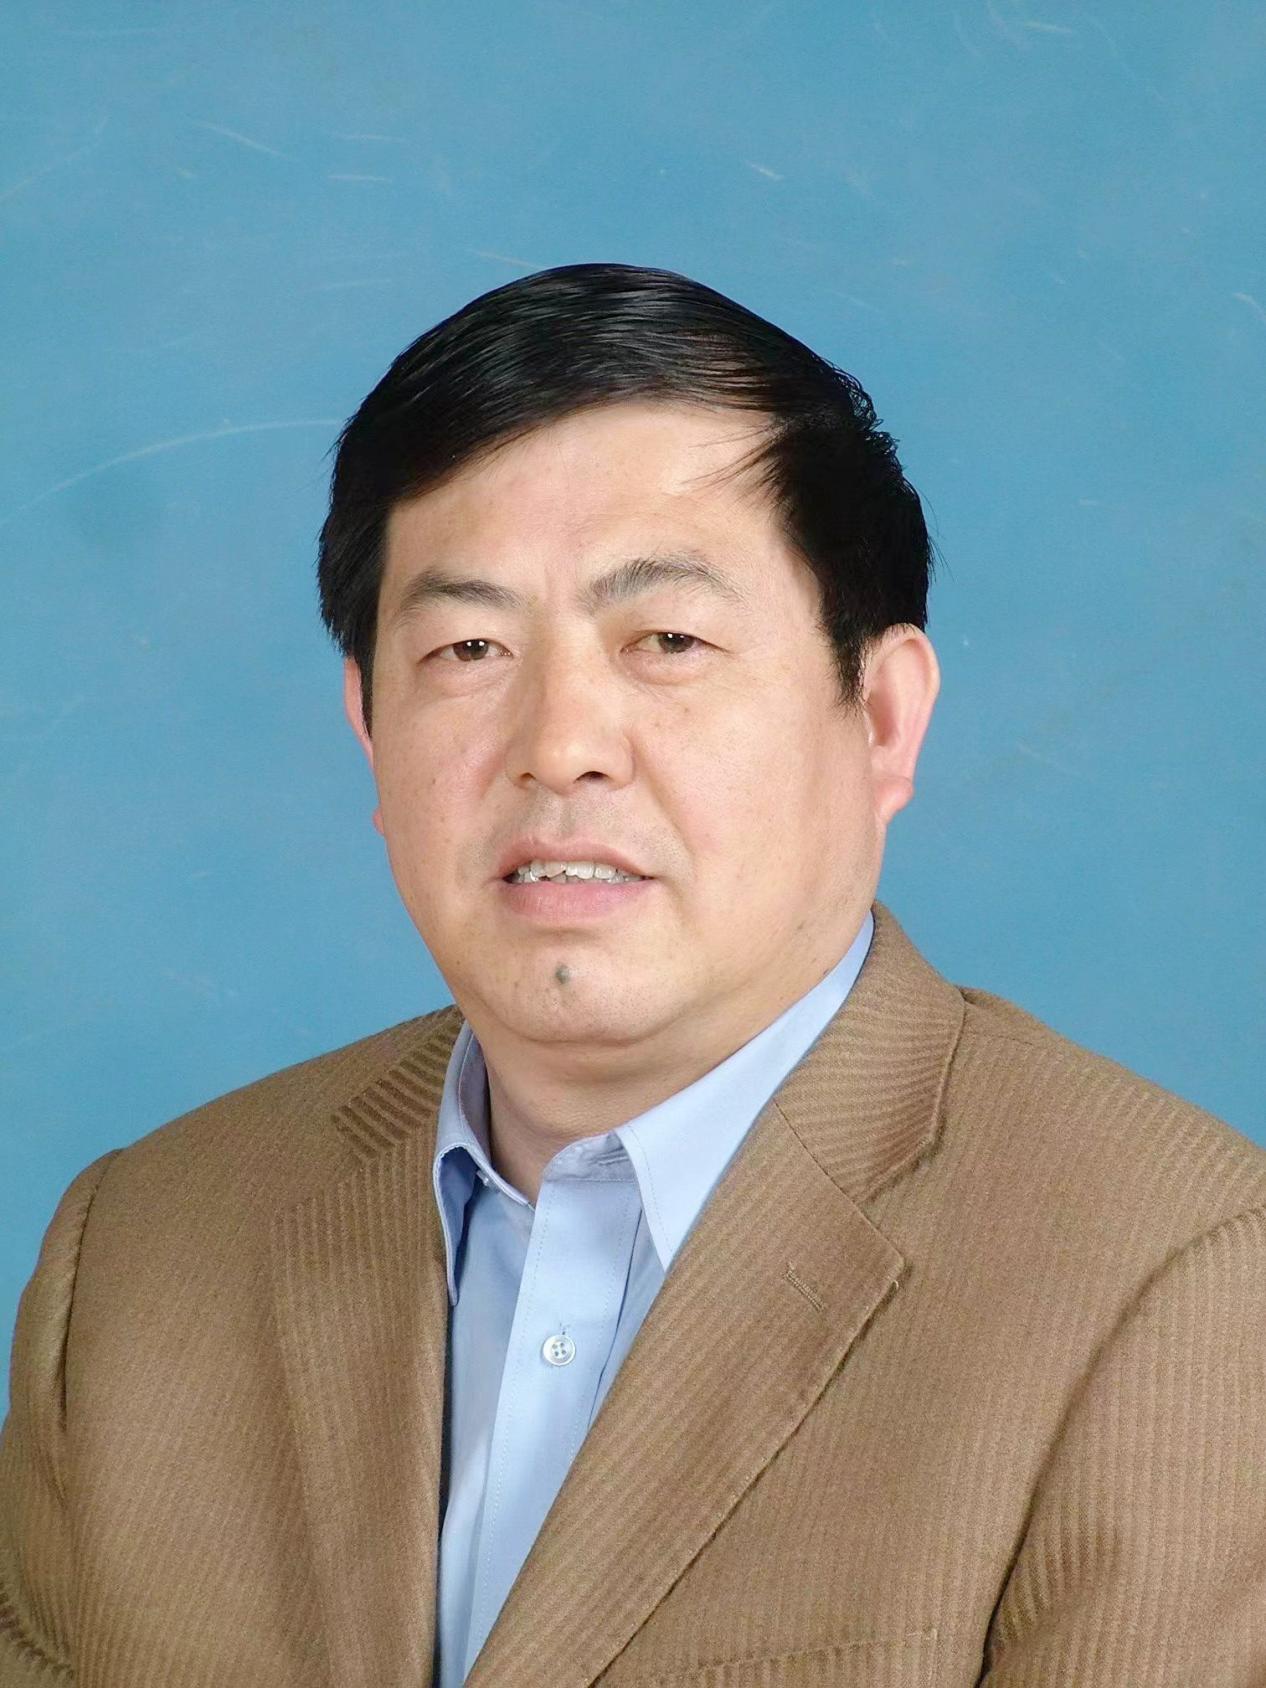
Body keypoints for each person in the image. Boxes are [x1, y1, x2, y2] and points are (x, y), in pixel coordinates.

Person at [2, 263, 1263, 1688]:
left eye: (666, 641)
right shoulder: (143, 1253)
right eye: (468, 648)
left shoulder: (1185, 1285)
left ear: (881, 719)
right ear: (369, 727)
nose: (559, 744)